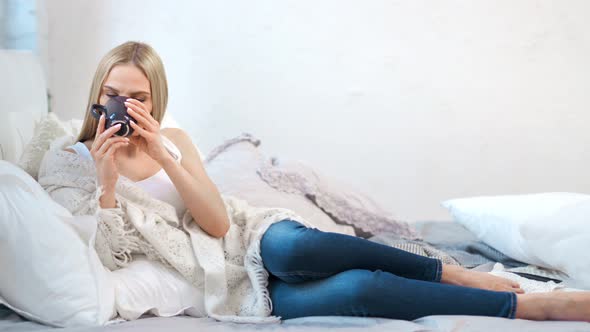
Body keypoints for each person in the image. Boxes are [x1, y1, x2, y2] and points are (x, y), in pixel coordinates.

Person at [38, 40, 590, 324]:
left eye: (139, 97)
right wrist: (106, 181)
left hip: (245, 238)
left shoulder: (174, 142)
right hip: (223, 286)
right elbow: (104, 259)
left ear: (157, 100)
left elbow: (218, 222)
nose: (125, 108)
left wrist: (167, 153)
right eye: (114, 94)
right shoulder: (70, 160)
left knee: (296, 245)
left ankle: (453, 273)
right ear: (96, 93)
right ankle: (529, 310)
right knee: (359, 289)